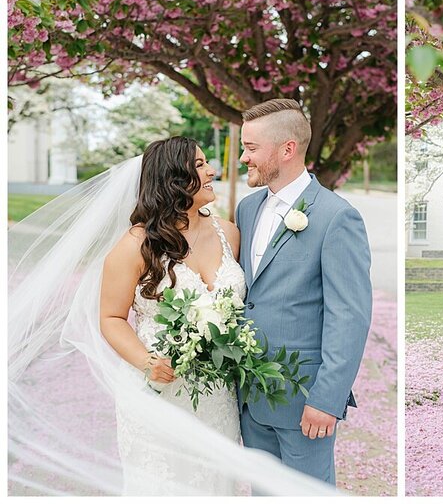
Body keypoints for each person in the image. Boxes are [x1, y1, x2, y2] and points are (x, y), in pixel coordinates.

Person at [9, 136, 334, 495]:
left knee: (214, 487)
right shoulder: (136, 246)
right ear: (173, 179)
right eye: (199, 165)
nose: (212, 170)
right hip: (157, 393)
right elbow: (111, 318)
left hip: (216, 397)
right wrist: (147, 362)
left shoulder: (229, 233)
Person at [235, 98, 373, 486]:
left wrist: (326, 400)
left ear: (287, 149)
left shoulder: (336, 216)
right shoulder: (247, 209)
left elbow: (350, 315)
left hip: (303, 401)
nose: (244, 158)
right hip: (250, 394)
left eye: (251, 148)